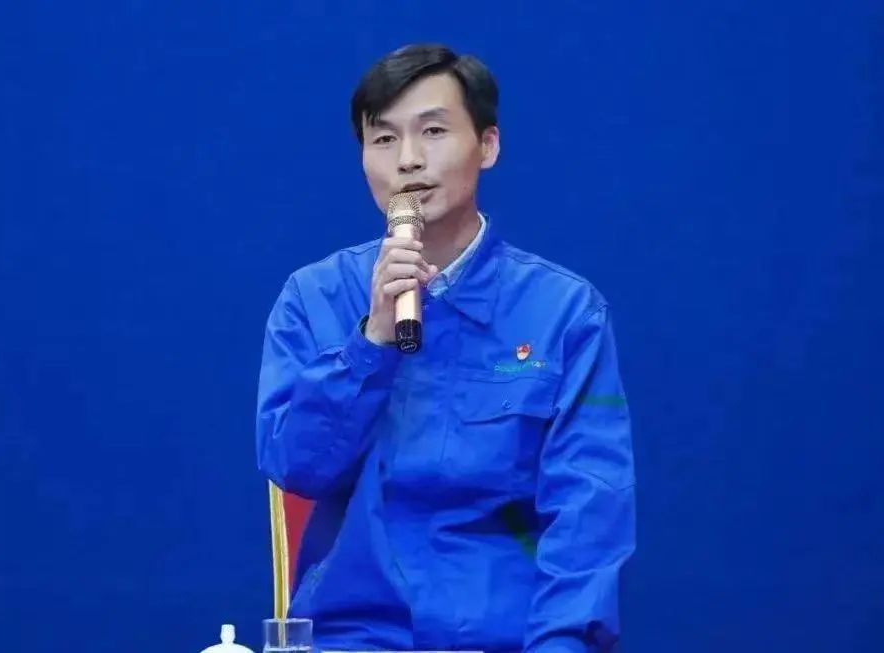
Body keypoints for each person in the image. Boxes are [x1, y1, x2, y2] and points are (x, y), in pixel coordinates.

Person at [256, 43, 636, 653]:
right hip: (352, 639)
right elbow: (297, 468)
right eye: (383, 139)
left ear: (487, 145)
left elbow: (588, 515)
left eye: (432, 131)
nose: (408, 160)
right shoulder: (313, 298)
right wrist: (372, 339)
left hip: (506, 640)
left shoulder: (565, 312)